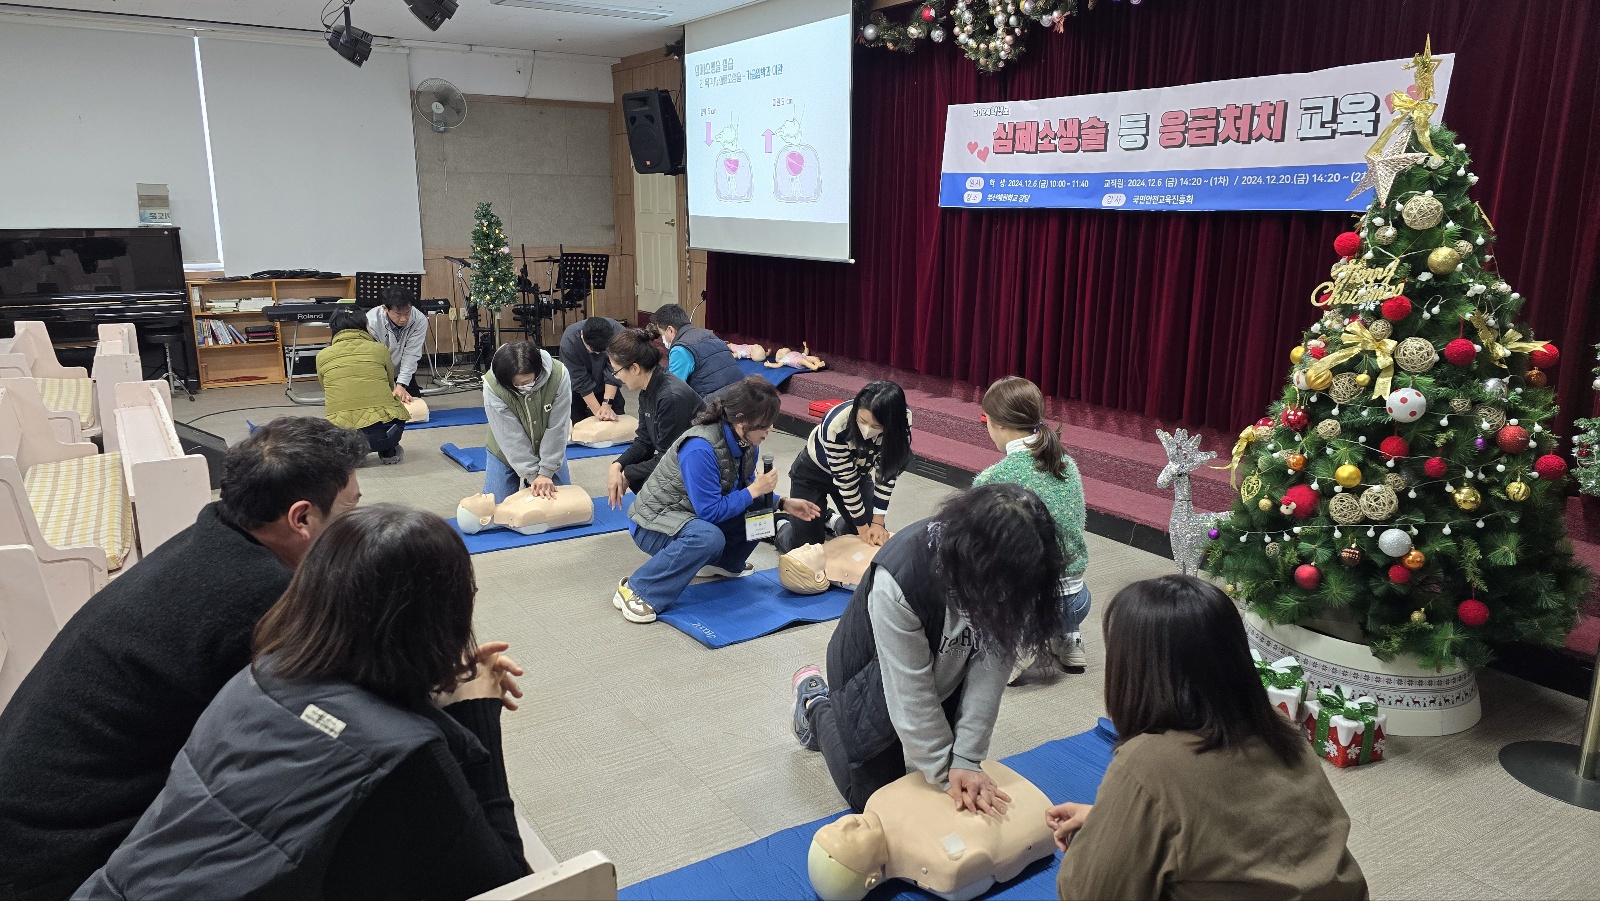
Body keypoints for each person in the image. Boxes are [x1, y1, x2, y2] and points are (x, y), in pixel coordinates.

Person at [77, 506, 531, 900]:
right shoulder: (404, 758)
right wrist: (475, 711)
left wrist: (433, 691)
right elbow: (511, 886)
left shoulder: (263, 674)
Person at [0, 418, 368, 901]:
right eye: (350, 512)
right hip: (60, 859)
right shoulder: (259, 598)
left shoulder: (212, 536)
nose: (358, 527)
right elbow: (331, 723)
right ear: (302, 519)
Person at [1050, 576, 1368, 901]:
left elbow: (1089, 893)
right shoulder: (1277, 726)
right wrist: (1110, 819)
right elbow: (1243, 833)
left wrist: (1096, 837)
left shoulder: (1149, 762)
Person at [790, 484, 1065, 815]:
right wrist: (946, 773)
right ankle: (816, 705)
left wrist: (966, 759)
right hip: (869, 669)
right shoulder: (904, 575)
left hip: (946, 663)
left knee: (945, 762)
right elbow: (910, 690)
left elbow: (989, 672)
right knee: (872, 800)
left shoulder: (1015, 571)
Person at [615, 376, 821, 623]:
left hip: (690, 516)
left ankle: (723, 563)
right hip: (653, 523)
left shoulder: (747, 442)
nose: (770, 430)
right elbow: (710, 512)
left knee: (761, 511)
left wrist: (782, 503)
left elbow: (742, 490)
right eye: (764, 425)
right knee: (708, 538)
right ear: (741, 419)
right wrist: (756, 490)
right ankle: (637, 589)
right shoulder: (700, 447)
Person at [971, 376, 1091, 676]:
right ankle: (1069, 637)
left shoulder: (991, 479)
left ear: (997, 423)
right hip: (1078, 601)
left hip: (1033, 608)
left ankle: (1021, 642)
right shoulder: (1066, 462)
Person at [777, 380, 912, 553]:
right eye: (862, 421)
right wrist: (863, 533)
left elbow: (887, 472)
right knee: (807, 548)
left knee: (872, 531)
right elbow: (846, 484)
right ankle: (781, 524)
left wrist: (877, 523)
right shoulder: (836, 425)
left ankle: (830, 519)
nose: (867, 431)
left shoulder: (902, 420)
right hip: (813, 474)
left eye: (876, 427)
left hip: (857, 473)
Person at [604, 327, 704, 507]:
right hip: (677, 463)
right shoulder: (647, 389)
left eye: (616, 371)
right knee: (632, 470)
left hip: (696, 469)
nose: (617, 378)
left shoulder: (670, 396)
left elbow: (670, 460)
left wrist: (627, 473)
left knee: (634, 475)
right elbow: (644, 441)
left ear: (634, 368)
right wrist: (617, 465)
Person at [483, 340, 572, 503]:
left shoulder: (559, 375)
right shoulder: (492, 384)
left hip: (549, 448)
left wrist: (546, 472)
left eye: (525, 383)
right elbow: (509, 436)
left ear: (537, 372)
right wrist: (532, 476)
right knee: (497, 509)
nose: (521, 387)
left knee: (563, 506)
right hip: (505, 450)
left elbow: (558, 426)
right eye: (515, 385)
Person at [317, 309, 410, 464]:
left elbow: (325, 387)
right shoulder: (380, 349)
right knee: (396, 408)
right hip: (383, 431)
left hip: (344, 435)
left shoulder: (322, 356)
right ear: (365, 326)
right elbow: (389, 384)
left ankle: (354, 454)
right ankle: (388, 450)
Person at [651, 302, 743, 398]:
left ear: (670, 330)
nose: (662, 338)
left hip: (716, 405)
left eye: (662, 334)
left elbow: (672, 390)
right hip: (741, 396)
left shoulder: (680, 349)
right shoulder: (708, 334)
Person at [560, 315, 626, 424]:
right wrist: (599, 414)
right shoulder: (569, 340)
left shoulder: (619, 334)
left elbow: (615, 371)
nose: (598, 354)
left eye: (602, 352)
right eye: (593, 351)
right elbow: (579, 380)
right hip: (578, 389)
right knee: (578, 422)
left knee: (617, 417)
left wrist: (606, 405)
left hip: (607, 385)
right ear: (582, 335)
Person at [366, 286, 428, 402]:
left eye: (407, 313)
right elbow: (375, 357)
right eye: (398, 314)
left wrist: (401, 385)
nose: (404, 319)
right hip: (380, 371)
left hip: (402, 368)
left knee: (414, 406)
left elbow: (411, 354)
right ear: (385, 308)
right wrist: (392, 387)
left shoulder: (419, 319)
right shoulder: (372, 321)